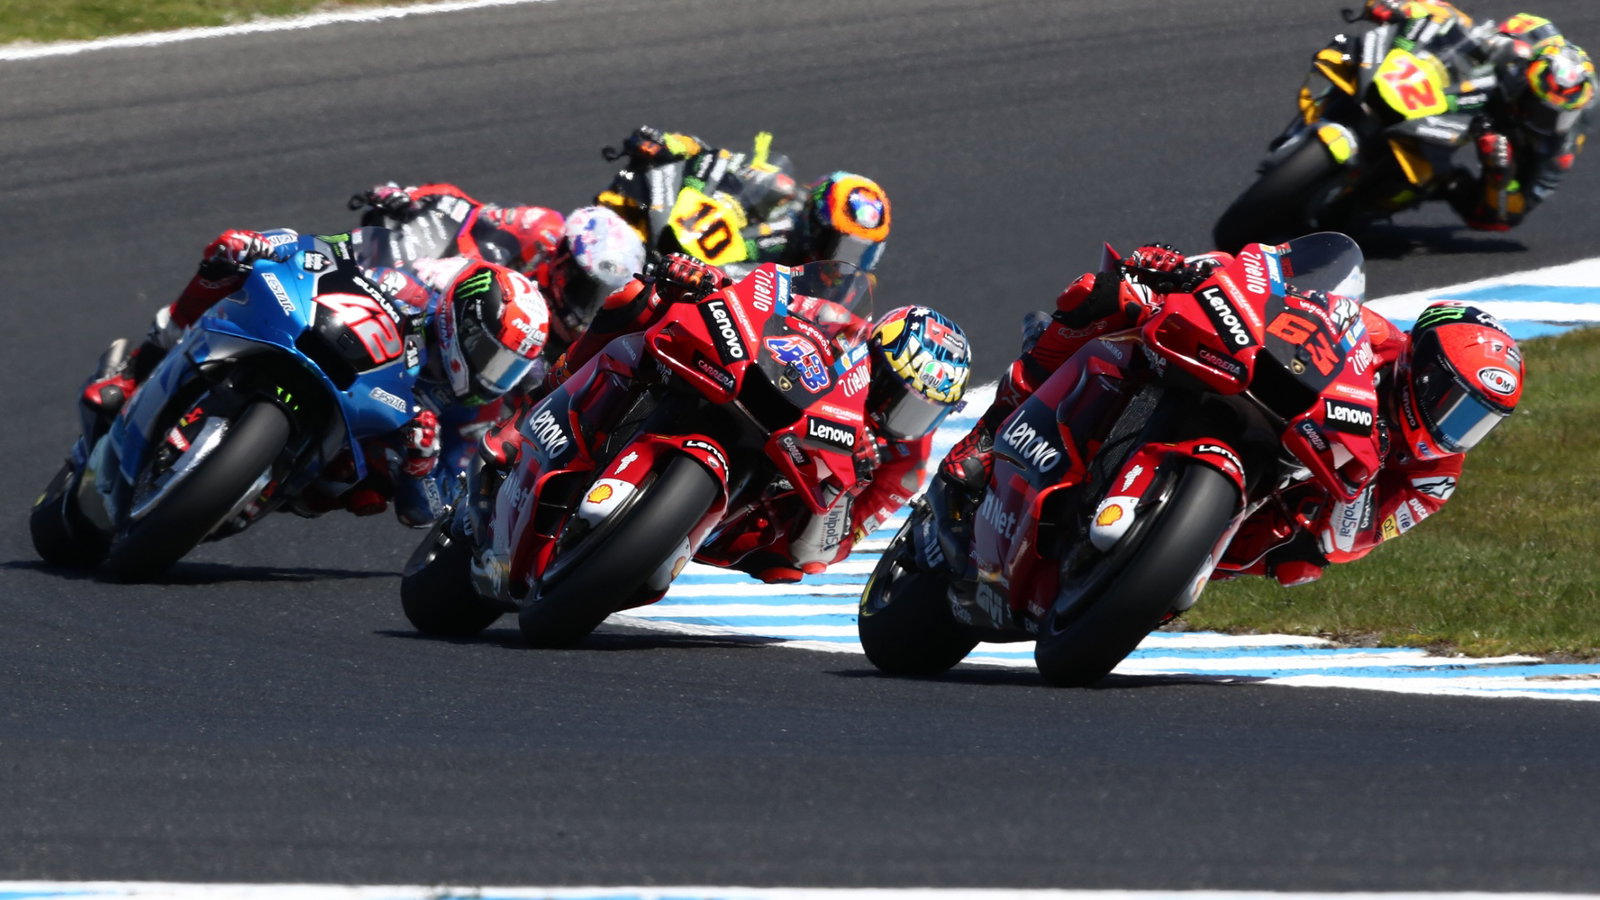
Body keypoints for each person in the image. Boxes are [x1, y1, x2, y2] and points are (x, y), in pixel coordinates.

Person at [938, 242, 1525, 587]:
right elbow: (1276, 289)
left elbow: (1356, 538)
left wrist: (1318, 534)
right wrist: (1192, 272)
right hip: (1258, 399)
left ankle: (1161, 571)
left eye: (1477, 420)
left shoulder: (1436, 476)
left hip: (1289, 482)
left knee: (1291, 555)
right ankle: (988, 439)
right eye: (1453, 403)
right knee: (1105, 293)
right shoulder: (1375, 340)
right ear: (1421, 368)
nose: (1455, 428)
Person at [484, 253, 972, 584]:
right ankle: (537, 405)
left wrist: (843, 489)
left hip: (776, 493)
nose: (901, 417)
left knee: (791, 563)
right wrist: (707, 276)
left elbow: (825, 551)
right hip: (752, 388)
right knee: (637, 297)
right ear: (877, 360)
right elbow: (765, 289)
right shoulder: (841, 324)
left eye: (923, 412)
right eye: (900, 397)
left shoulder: (904, 457)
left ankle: (658, 542)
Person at [80, 227, 551, 526]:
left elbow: (432, 510)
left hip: (366, 429)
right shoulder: (417, 286)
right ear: (461, 322)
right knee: (228, 255)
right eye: (490, 358)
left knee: (362, 489)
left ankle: (265, 484)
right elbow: (328, 249)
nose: (491, 377)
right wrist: (267, 245)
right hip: (324, 341)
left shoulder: (475, 413)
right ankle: (136, 368)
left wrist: (420, 465)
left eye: (506, 370)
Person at [1358, 1, 1596, 231]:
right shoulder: (1531, 38)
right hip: (1479, 89)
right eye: (1540, 109)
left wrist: (1499, 175)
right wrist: (1404, 9)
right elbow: (1460, 22)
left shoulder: (1561, 142)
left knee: (1426, 184)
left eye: (1557, 115)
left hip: (1498, 139)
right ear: (1525, 83)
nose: (1546, 120)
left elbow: (1512, 212)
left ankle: (1369, 202)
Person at [354, 182, 646, 358]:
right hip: (439, 295)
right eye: (586, 290)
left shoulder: (585, 344)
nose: (588, 309)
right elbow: (467, 211)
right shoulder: (541, 227)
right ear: (564, 262)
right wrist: (414, 199)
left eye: (602, 299)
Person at [597, 126, 893, 276]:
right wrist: (673, 145)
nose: (844, 261)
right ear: (815, 222)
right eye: (838, 244)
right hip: (690, 266)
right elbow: (719, 161)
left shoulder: (836, 296)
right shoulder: (783, 201)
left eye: (859, 252)